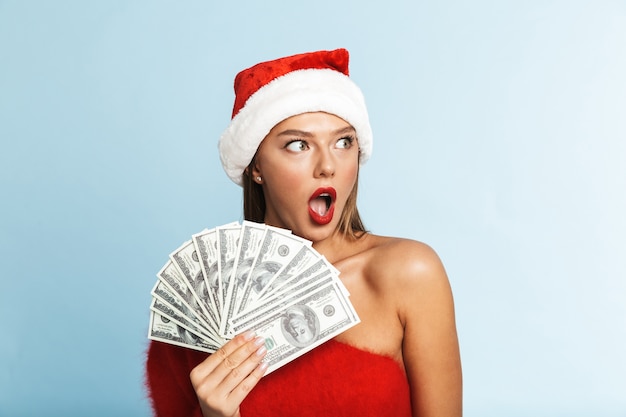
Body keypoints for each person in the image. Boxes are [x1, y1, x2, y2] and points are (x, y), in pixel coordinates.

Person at [145, 48, 462, 417]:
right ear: (256, 167)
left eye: (343, 142)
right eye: (298, 144)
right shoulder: (199, 304)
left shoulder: (408, 274)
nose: (327, 165)